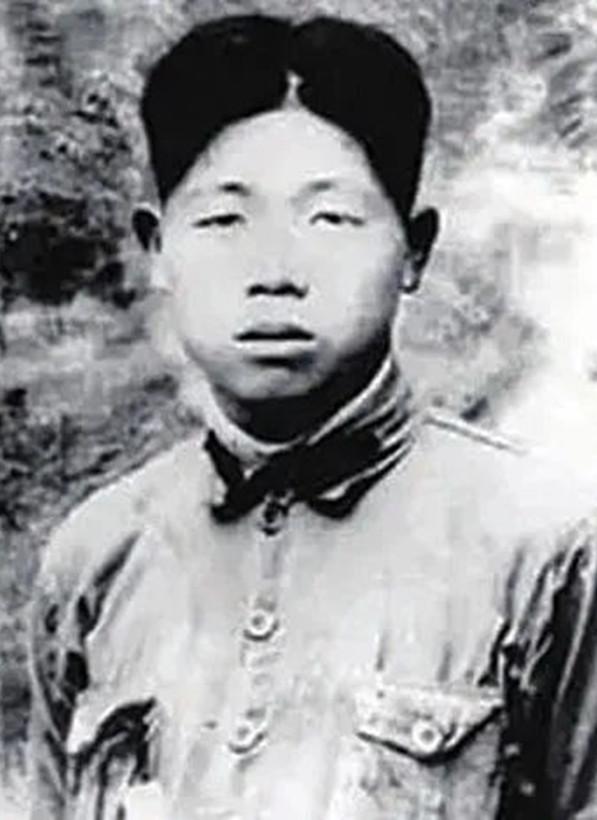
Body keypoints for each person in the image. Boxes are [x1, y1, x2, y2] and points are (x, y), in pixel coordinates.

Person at [27, 14, 597, 819]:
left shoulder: (547, 548)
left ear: (414, 249)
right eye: (224, 220)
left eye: (328, 218)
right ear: (158, 249)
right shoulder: (95, 557)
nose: (274, 272)